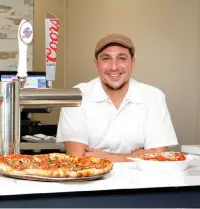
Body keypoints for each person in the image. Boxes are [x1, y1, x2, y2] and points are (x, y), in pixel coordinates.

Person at [56, 33, 178, 162]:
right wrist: (138, 155)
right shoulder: (76, 96)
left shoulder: (153, 97)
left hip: (141, 181)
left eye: (122, 58)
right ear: (96, 64)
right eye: (106, 58)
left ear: (133, 63)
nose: (114, 67)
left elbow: (159, 157)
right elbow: (78, 160)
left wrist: (108, 157)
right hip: (91, 181)